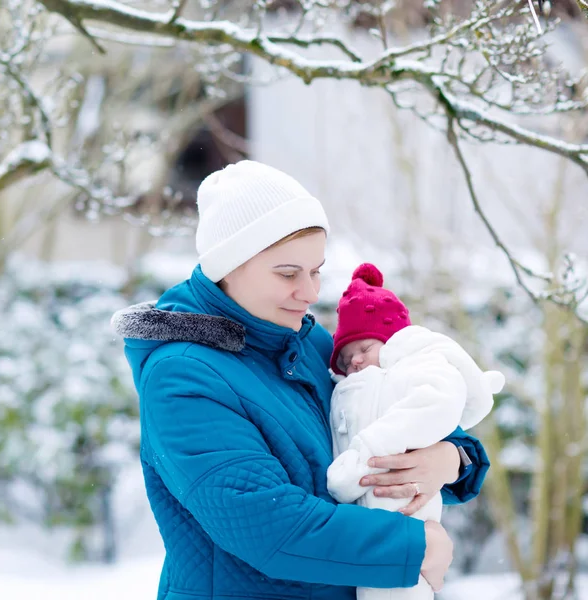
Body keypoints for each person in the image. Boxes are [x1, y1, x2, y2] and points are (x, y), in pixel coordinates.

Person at [111, 160, 490, 600]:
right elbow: (266, 525)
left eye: (316, 271)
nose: (310, 293)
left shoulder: (306, 344)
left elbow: (390, 404)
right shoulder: (182, 377)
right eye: (288, 274)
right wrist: (413, 547)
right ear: (229, 265)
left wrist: (452, 457)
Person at [326, 263, 504, 600]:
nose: (357, 363)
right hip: (357, 531)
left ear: (396, 343)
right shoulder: (345, 389)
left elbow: (437, 415)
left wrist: (455, 456)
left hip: (402, 516)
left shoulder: (412, 372)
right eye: (347, 359)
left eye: (364, 350)